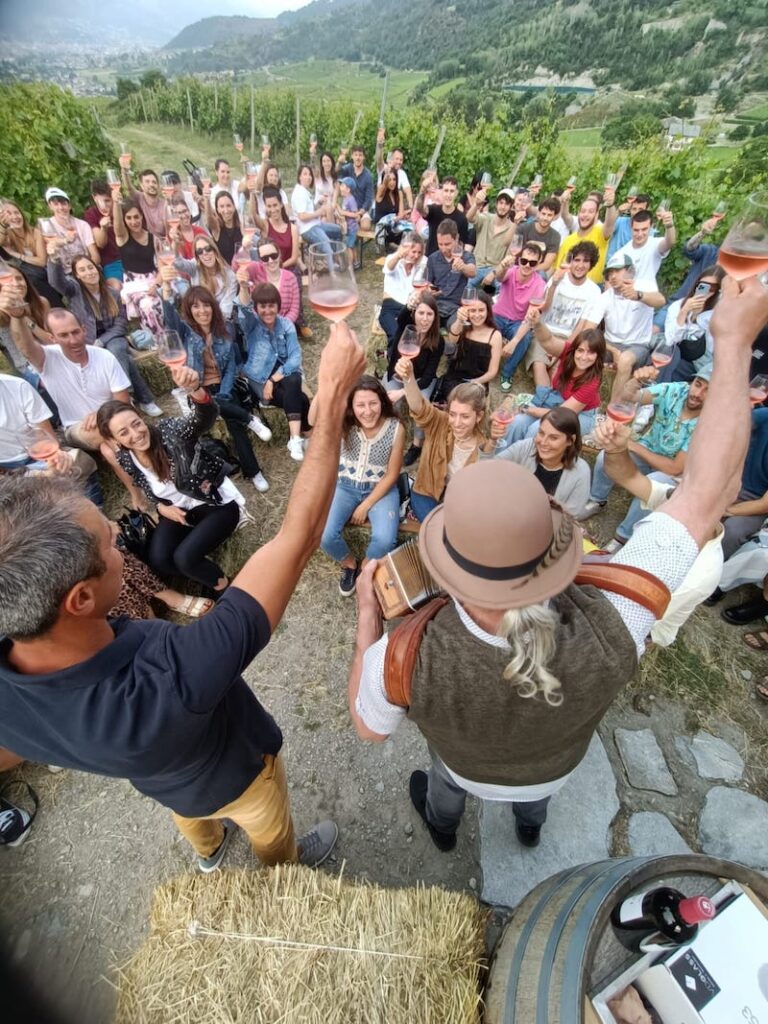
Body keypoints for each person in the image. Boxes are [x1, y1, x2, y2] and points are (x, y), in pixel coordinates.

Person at [347, 275, 768, 852]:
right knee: (535, 793)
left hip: (464, 766)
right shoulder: (618, 614)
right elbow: (708, 493)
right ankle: (530, 824)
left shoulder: (405, 655)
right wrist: (736, 341)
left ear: (447, 569)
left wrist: (370, 614)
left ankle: (443, 827)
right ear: (555, 548)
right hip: (554, 767)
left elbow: (369, 729)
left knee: (445, 787)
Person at [0, 319, 366, 874]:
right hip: (239, 776)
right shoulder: (167, 678)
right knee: (271, 829)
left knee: (193, 820)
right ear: (77, 598)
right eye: (111, 542)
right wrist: (334, 395)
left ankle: (211, 850)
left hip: (165, 785)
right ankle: (284, 866)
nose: (125, 546)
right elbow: (297, 542)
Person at [98, 373, 241, 596]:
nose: (136, 434)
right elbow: (145, 485)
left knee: (184, 558)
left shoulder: (171, 433)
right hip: (178, 511)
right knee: (159, 559)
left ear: (142, 418)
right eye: (123, 433)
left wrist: (195, 390)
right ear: (114, 440)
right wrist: (160, 507)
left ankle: (223, 586)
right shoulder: (126, 458)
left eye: (136, 424)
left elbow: (205, 416)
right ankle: (200, 573)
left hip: (215, 504)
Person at [595, 416, 724, 647]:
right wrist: (616, 449)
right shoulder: (682, 504)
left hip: (638, 623)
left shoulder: (699, 572)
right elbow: (628, 476)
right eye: (686, 479)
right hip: (626, 581)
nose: (679, 484)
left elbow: (628, 612)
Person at [1, 295, 136, 502]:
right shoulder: (47, 359)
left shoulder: (104, 356)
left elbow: (123, 401)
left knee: (107, 448)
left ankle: (137, 494)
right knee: (114, 432)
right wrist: (18, 317)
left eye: (75, 332)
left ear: (84, 329)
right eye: (63, 335)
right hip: (76, 428)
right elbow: (25, 347)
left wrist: (102, 413)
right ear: (52, 338)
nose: (73, 340)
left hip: (110, 419)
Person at [161, 279, 272, 493]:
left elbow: (230, 368)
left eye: (206, 305)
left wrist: (223, 393)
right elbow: (170, 322)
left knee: (234, 425)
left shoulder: (225, 329)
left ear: (213, 306)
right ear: (189, 310)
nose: (202, 311)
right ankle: (250, 419)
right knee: (229, 413)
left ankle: (254, 472)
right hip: (198, 387)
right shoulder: (185, 331)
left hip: (224, 386)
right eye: (196, 306)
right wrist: (166, 293)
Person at [583, 365, 712, 527]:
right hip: (648, 451)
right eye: (698, 384)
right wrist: (636, 381)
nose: (697, 394)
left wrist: (633, 446)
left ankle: (623, 536)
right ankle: (596, 500)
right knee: (605, 456)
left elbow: (674, 468)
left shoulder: (709, 423)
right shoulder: (676, 390)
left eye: (708, 390)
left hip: (672, 474)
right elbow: (630, 397)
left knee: (655, 483)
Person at [46, 251, 162, 417]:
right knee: (125, 359)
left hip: (113, 336)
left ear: (97, 269)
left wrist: (101, 341)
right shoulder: (75, 291)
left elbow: (121, 323)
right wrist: (54, 257)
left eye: (90, 267)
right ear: (77, 275)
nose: (89, 272)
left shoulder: (112, 293)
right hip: (87, 340)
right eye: (83, 270)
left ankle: (126, 395)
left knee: (116, 350)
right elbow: (55, 281)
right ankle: (145, 400)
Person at [318, 375, 404, 596]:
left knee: (386, 539)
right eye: (360, 405)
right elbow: (311, 419)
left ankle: (366, 567)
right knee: (324, 535)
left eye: (373, 403)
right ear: (351, 406)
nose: (367, 411)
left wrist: (366, 504)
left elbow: (392, 474)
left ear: (383, 402)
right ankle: (349, 564)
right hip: (345, 486)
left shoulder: (396, 428)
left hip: (381, 490)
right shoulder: (343, 423)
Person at [395, 354, 487, 521]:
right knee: (440, 528)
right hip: (426, 493)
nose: (457, 422)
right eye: (453, 414)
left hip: (458, 503)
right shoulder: (441, 423)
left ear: (478, 416)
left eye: (465, 416)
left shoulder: (484, 448)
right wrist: (408, 377)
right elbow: (419, 407)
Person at [236, 280, 311, 462]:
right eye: (262, 306)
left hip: (281, 378)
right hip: (261, 383)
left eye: (271, 305)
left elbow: (295, 358)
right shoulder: (252, 325)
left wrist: (273, 379)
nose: (267, 311)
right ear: (257, 307)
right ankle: (306, 434)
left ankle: (294, 438)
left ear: (278, 306)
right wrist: (244, 287)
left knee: (294, 381)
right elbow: (244, 308)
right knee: (300, 397)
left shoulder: (286, 325)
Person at [502, 316, 605, 444]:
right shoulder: (568, 353)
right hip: (556, 401)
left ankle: (526, 462)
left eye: (591, 352)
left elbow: (561, 413)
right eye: (580, 350)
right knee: (517, 423)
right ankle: (503, 459)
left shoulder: (592, 382)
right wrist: (538, 323)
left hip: (579, 415)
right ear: (574, 350)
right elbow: (548, 340)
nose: (584, 357)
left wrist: (527, 409)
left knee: (537, 430)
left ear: (598, 356)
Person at [581, 253, 666, 399]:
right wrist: (612, 350)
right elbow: (587, 330)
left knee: (625, 360)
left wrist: (639, 296)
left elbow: (661, 301)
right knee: (584, 348)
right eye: (610, 273)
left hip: (637, 345)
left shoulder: (644, 286)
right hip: (610, 343)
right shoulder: (605, 298)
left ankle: (613, 409)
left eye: (617, 271)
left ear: (629, 270)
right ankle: (580, 395)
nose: (613, 276)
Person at [483, 406, 591, 518]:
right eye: (541, 433)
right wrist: (492, 440)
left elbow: (571, 517)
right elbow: (484, 470)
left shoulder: (581, 473)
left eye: (553, 438)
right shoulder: (527, 447)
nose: (543, 442)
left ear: (570, 440)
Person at [523, 241, 602, 386]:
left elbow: (581, 326)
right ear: (570, 261)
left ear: (592, 264)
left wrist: (564, 350)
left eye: (586, 261)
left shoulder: (594, 291)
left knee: (558, 371)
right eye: (577, 260)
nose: (580, 265)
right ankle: (544, 401)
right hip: (544, 332)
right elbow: (544, 307)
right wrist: (554, 284)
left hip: (569, 338)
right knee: (539, 364)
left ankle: (547, 403)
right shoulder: (558, 278)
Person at [384, 292, 444, 465]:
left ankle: (416, 445)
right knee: (388, 400)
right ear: (414, 314)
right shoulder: (406, 328)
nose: (424, 319)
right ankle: (389, 436)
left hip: (419, 382)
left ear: (435, 317)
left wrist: (404, 392)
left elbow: (427, 377)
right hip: (397, 374)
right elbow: (402, 316)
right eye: (421, 313)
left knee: (421, 405)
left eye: (429, 314)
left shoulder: (437, 341)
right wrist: (410, 305)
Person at [0, 371, 95, 480]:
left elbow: (45, 438)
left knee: (75, 464)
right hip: (4, 469)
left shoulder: (17, 387)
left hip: (34, 457)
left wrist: (55, 459)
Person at [491, 242, 547, 391]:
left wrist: (514, 341)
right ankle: (485, 366)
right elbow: (498, 277)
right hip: (498, 315)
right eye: (524, 260)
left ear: (538, 263)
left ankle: (507, 372)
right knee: (483, 326)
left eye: (532, 262)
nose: (527, 265)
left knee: (525, 337)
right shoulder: (511, 271)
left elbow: (529, 319)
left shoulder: (539, 284)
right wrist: (502, 266)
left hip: (517, 322)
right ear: (519, 259)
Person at [112, 194, 163, 336]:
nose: (133, 221)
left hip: (153, 279)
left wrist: (157, 285)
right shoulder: (123, 238)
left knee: (164, 300)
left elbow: (162, 266)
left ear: (142, 216)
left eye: (136, 217)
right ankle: (156, 338)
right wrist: (116, 202)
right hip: (133, 283)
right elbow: (117, 227)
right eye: (128, 218)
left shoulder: (153, 238)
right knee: (147, 305)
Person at [662, 266, 724, 382]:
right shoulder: (678, 306)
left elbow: (712, 350)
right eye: (703, 285)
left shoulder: (717, 314)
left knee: (676, 363)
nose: (707, 290)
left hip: (702, 362)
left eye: (713, 287)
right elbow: (670, 340)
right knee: (672, 355)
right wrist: (685, 312)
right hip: (676, 356)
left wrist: (699, 318)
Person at [441, 292, 503, 396]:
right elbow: (452, 341)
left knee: (467, 401)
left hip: (478, 382)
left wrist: (473, 383)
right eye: (472, 310)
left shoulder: (495, 335)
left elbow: (492, 371)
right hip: (455, 378)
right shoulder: (463, 326)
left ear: (488, 311)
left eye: (481, 310)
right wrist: (459, 320)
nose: (477, 315)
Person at [0, 198, 59, 305]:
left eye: (16, 213)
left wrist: (17, 255)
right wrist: (3, 226)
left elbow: (42, 261)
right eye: (9, 214)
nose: (15, 217)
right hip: (29, 277)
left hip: (43, 273)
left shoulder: (34, 232)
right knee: (32, 280)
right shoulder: (7, 237)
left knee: (37, 278)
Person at [0, 266, 51, 385]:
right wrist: (16, 314)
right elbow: (25, 354)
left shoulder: (41, 302)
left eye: (19, 279)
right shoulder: (3, 313)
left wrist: (26, 319)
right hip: (28, 366)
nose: (16, 284)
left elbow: (50, 339)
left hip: (50, 353)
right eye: (9, 281)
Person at [557, 186, 618, 283]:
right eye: (583, 211)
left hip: (593, 290)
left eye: (590, 212)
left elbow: (610, 222)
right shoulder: (568, 240)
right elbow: (559, 268)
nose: (585, 215)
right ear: (578, 213)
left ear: (597, 214)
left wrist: (610, 205)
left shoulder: (600, 233)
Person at [424, 220, 476, 330]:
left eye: (447, 244)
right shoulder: (433, 258)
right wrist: (429, 290)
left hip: (456, 308)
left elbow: (472, 272)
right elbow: (426, 284)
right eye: (440, 244)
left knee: (456, 328)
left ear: (456, 238)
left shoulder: (466, 257)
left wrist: (463, 267)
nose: (443, 248)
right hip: (436, 305)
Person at [378, 234, 427, 348]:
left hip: (409, 308)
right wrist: (399, 256)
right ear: (404, 249)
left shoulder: (422, 262)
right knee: (396, 335)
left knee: (411, 338)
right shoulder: (393, 259)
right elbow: (388, 267)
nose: (416, 255)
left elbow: (421, 285)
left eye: (419, 252)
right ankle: (393, 363)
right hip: (391, 306)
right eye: (413, 251)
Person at [173, 236, 238, 320]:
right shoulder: (195, 266)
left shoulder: (230, 276)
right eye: (200, 251)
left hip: (221, 319)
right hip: (199, 317)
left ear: (215, 250)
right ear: (197, 256)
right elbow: (178, 263)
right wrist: (175, 247)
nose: (204, 253)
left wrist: (210, 324)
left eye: (208, 248)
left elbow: (226, 308)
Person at [614, 207, 676, 289]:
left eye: (644, 229)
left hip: (649, 296)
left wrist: (669, 226)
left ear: (651, 227)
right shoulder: (622, 253)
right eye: (636, 230)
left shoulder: (655, 244)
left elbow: (670, 242)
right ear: (631, 229)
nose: (640, 234)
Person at [465, 187, 515, 289]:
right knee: (466, 286)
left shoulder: (512, 228)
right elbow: (469, 218)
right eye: (501, 203)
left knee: (502, 287)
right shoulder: (486, 218)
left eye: (506, 204)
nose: (503, 207)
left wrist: (494, 273)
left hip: (495, 269)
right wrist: (476, 204)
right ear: (496, 204)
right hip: (477, 265)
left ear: (511, 207)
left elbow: (508, 257)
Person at [41, 187, 100, 271]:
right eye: (56, 204)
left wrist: (87, 271)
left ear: (69, 205)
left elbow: (96, 256)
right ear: (50, 206)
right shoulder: (47, 226)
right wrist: (65, 240)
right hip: (64, 275)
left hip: (86, 270)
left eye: (63, 204)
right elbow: (49, 246)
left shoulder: (82, 225)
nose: (61, 207)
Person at [291, 164, 343, 259]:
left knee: (337, 230)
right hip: (307, 229)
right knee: (327, 247)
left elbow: (309, 210)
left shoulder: (304, 191)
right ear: (299, 177)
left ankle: (335, 258)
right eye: (305, 174)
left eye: (310, 174)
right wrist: (319, 212)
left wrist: (318, 203)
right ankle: (330, 262)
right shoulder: (299, 193)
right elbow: (302, 216)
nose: (308, 177)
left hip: (316, 224)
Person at [247, 239, 301, 326]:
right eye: (265, 258)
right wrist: (243, 247)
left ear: (279, 254)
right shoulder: (255, 272)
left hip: (284, 327)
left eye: (274, 255)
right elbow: (236, 267)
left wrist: (281, 326)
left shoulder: (291, 277)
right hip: (260, 327)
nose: (270, 261)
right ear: (260, 260)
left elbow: (294, 309)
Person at [82, 180, 123, 288]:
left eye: (108, 201)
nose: (104, 205)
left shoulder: (120, 208)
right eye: (101, 201)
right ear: (94, 198)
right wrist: (103, 228)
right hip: (111, 263)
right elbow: (101, 244)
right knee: (116, 288)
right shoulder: (91, 214)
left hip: (129, 257)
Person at [415, 176, 469, 257]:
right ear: (441, 192)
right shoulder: (433, 210)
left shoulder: (462, 219)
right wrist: (423, 190)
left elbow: (461, 246)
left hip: (450, 261)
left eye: (452, 191)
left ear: (456, 193)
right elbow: (419, 208)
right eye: (446, 191)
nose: (448, 195)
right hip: (431, 258)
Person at [119, 165, 168, 240]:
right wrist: (124, 170)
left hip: (161, 245)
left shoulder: (165, 204)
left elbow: (169, 232)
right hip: (143, 243)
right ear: (142, 186)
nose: (151, 184)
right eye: (147, 182)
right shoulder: (139, 197)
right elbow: (129, 187)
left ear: (158, 186)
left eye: (154, 182)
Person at [518, 197, 562, 274]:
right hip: (519, 266)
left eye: (549, 215)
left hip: (537, 270)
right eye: (543, 214)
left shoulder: (555, 236)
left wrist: (529, 270)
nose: (545, 218)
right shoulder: (524, 228)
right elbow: (515, 252)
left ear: (554, 217)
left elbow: (547, 264)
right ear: (538, 213)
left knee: (542, 274)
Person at [336, 145, 374, 232]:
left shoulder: (368, 175)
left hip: (361, 210)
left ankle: (357, 240)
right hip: (347, 208)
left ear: (363, 157)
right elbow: (337, 173)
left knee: (365, 226)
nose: (358, 158)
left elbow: (368, 200)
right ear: (352, 156)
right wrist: (339, 162)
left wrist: (360, 213)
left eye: (360, 155)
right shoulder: (348, 168)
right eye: (356, 155)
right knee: (337, 221)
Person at [374, 129, 414, 210]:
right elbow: (379, 159)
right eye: (397, 159)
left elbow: (408, 191)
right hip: (380, 208)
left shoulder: (402, 173)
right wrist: (380, 144)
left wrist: (411, 208)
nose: (399, 162)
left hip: (394, 209)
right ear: (391, 159)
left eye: (401, 160)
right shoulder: (384, 168)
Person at [606, 191, 652, 259]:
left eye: (640, 209)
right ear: (629, 210)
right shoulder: (620, 221)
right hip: (612, 264)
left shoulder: (651, 232)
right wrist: (618, 212)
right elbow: (606, 232)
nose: (637, 212)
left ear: (647, 210)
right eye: (634, 209)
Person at [202, 190, 243, 266]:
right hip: (224, 271)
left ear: (234, 207)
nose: (226, 210)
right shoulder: (216, 227)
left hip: (240, 269)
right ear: (217, 210)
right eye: (222, 207)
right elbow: (209, 218)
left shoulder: (241, 226)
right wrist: (206, 199)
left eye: (228, 205)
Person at [373, 168, 406, 250]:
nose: (392, 182)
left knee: (406, 227)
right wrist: (385, 180)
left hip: (395, 224)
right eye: (389, 180)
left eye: (394, 179)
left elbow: (401, 214)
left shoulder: (399, 193)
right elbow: (383, 186)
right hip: (383, 227)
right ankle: (393, 247)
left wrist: (398, 218)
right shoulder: (381, 193)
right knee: (391, 227)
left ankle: (399, 248)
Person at [167, 197, 208, 261]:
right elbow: (173, 260)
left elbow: (210, 250)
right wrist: (175, 243)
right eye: (179, 213)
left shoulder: (200, 231)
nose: (184, 215)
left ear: (189, 211)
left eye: (185, 211)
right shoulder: (172, 236)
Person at [310, 148, 339, 225]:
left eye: (328, 161)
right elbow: (312, 166)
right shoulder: (317, 176)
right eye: (324, 161)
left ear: (332, 162)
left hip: (329, 211)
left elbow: (334, 203)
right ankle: (334, 234)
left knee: (324, 219)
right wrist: (312, 155)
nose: (326, 163)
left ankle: (332, 233)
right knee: (324, 216)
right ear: (321, 164)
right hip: (317, 207)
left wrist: (328, 208)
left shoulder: (335, 182)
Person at [338, 177, 359, 259]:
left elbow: (355, 214)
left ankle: (351, 265)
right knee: (351, 246)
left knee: (350, 247)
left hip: (352, 228)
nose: (340, 187)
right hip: (348, 228)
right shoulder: (345, 199)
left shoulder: (351, 199)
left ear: (348, 189)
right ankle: (355, 262)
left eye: (342, 186)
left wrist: (343, 213)